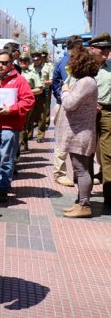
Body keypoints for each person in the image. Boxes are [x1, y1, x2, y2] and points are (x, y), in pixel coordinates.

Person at [55, 47, 100, 218]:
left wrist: (65, 90)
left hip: (80, 134)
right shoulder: (84, 81)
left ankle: (84, 205)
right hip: (78, 133)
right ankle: (80, 201)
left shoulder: (86, 82)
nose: (69, 66)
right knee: (79, 169)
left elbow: (69, 104)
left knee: (81, 170)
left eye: (71, 63)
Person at [0, 50, 35, 203]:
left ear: (11, 64)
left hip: (10, 125)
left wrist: (12, 109)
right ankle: (1, 181)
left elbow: (28, 100)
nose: (0, 66)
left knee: (6, 158)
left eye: (4, 63)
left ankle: (3, 188)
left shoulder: (19, 80)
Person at [51, 35, 85, 187]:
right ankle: (59, 173)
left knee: (78, 140)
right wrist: (64, 98)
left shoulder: (79, 61)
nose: (82, 49)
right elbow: (63, 85)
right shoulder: (66, 62)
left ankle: (79, 173)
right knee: (62, 140)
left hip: (78, 106)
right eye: (80, 46)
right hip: (65, 105)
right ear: (73, 47)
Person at [89, 32, 111, 203]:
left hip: (107, 113)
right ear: (92, 49)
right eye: (102, 48)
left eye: (108, 48)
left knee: (108, 154)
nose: (106, 51)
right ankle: (84, 193)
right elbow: (70, 88)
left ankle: (109, 195)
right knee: (86, 153)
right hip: (87, 114)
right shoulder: (84, 67)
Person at [18, 55, 44, 153]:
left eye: (25, 60)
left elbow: (40, 89)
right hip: (14, 101)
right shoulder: (14, 72)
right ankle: (22, 144)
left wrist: (26, 92)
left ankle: (22, 145)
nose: (22, 62)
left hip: (26, 101)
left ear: (29, 62)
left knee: (23, 123)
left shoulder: (33, 74)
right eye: (21, 60)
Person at [30, 51, 53, 142]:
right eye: (34, 60)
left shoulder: (47, 67)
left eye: (37, 59)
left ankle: (40, 135)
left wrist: (42, 83)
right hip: (32, 92)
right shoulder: (29, 68)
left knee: (42, 115)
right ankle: (29, 134)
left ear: (40, 59)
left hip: (43, 92)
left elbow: (51, 80)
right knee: (30, 115)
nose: (36, 61)